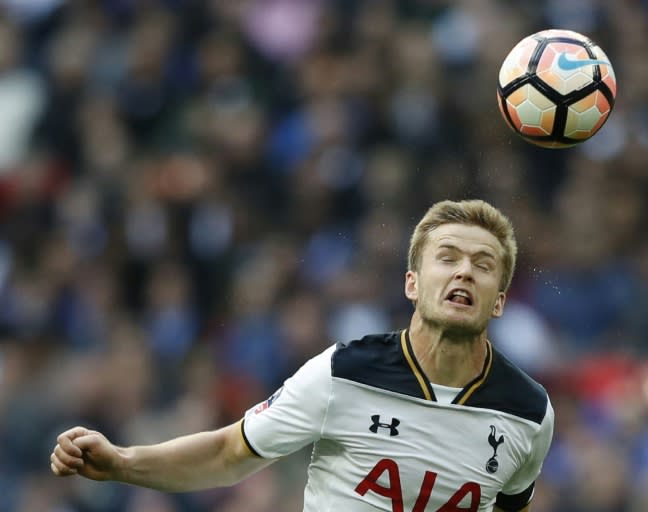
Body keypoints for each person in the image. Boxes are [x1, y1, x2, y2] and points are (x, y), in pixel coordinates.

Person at [51, 199, 555, 512]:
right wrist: (122, 461)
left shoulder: (529, 412)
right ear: (412, 283)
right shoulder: (344, 372)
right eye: (447, 258)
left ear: (501, 298)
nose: (464, 272)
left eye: (483, 265)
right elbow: (230, 453)